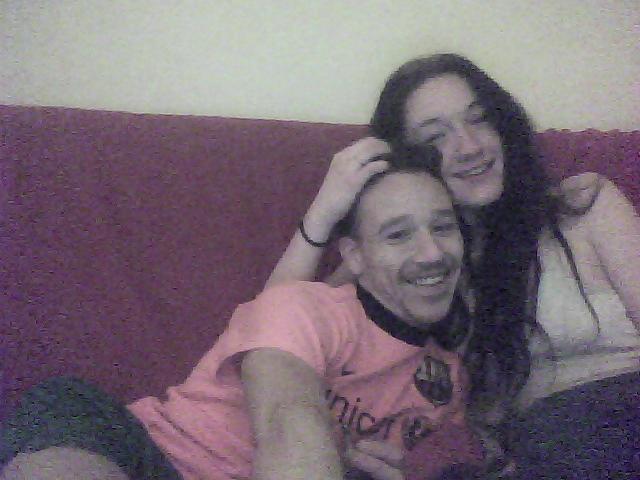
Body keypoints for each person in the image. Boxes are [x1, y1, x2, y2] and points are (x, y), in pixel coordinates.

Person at [266, 54, 640, 478]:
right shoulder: (419, 263)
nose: (470, 146)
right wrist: (324, 211)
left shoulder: (584, 204)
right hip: (540, 453)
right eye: (436, 136)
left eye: (479, 120)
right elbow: (274, 334)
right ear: (408, 161)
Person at [1, 159, 485, 480]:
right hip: (147, 454)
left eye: (444, 227)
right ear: (355, 256)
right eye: (398, 235)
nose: (432, 252)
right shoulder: (304, 309)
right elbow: (287, 420)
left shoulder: (448, 382)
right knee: (67, 412)